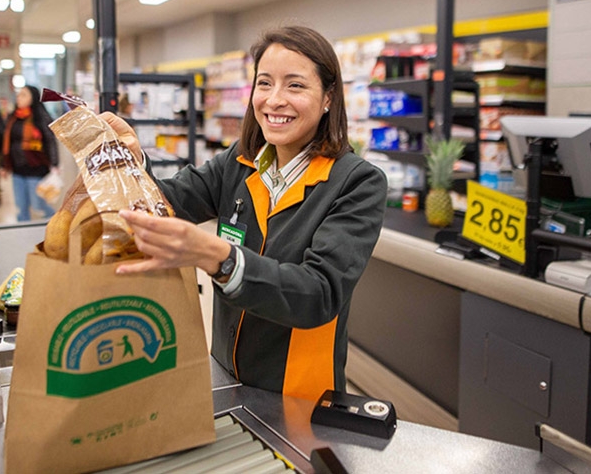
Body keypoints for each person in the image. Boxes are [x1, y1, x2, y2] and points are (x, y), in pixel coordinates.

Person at [102, 25, 387, 401]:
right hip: (226, 374)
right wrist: (131, 159)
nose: (274, 100)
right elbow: (166, 202)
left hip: (299, 393)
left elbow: (318, 293)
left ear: (329, 98)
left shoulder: (356, 183)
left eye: (295, 86)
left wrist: (218, 257)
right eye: (264, 83)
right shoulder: (238, 163)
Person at [2, 85, 60, 221]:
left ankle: (55, 224)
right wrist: (3, 165)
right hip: (17, 169)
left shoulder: (40, 118)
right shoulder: (13, 118)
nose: (19, 98)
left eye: (23, 95)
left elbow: (50, 141)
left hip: (37, 169)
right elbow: (6, 142)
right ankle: (22, 234)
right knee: (21, 206)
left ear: (33, 98)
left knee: (39, 205)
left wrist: (55, 163)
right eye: (18, 95)